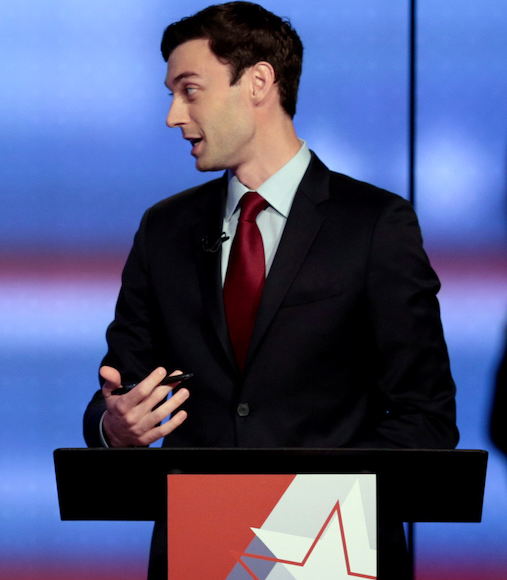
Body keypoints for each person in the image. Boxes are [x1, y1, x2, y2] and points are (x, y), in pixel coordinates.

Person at [80, 3, 458, 578]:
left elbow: (427, 420)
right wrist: (114, 428)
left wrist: (280, 526)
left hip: (334, 558)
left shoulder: (375, 224)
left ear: (258, 82)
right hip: (195, 557)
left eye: (189, 90)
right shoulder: (164, 230)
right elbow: (119, 391)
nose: (172, 116)